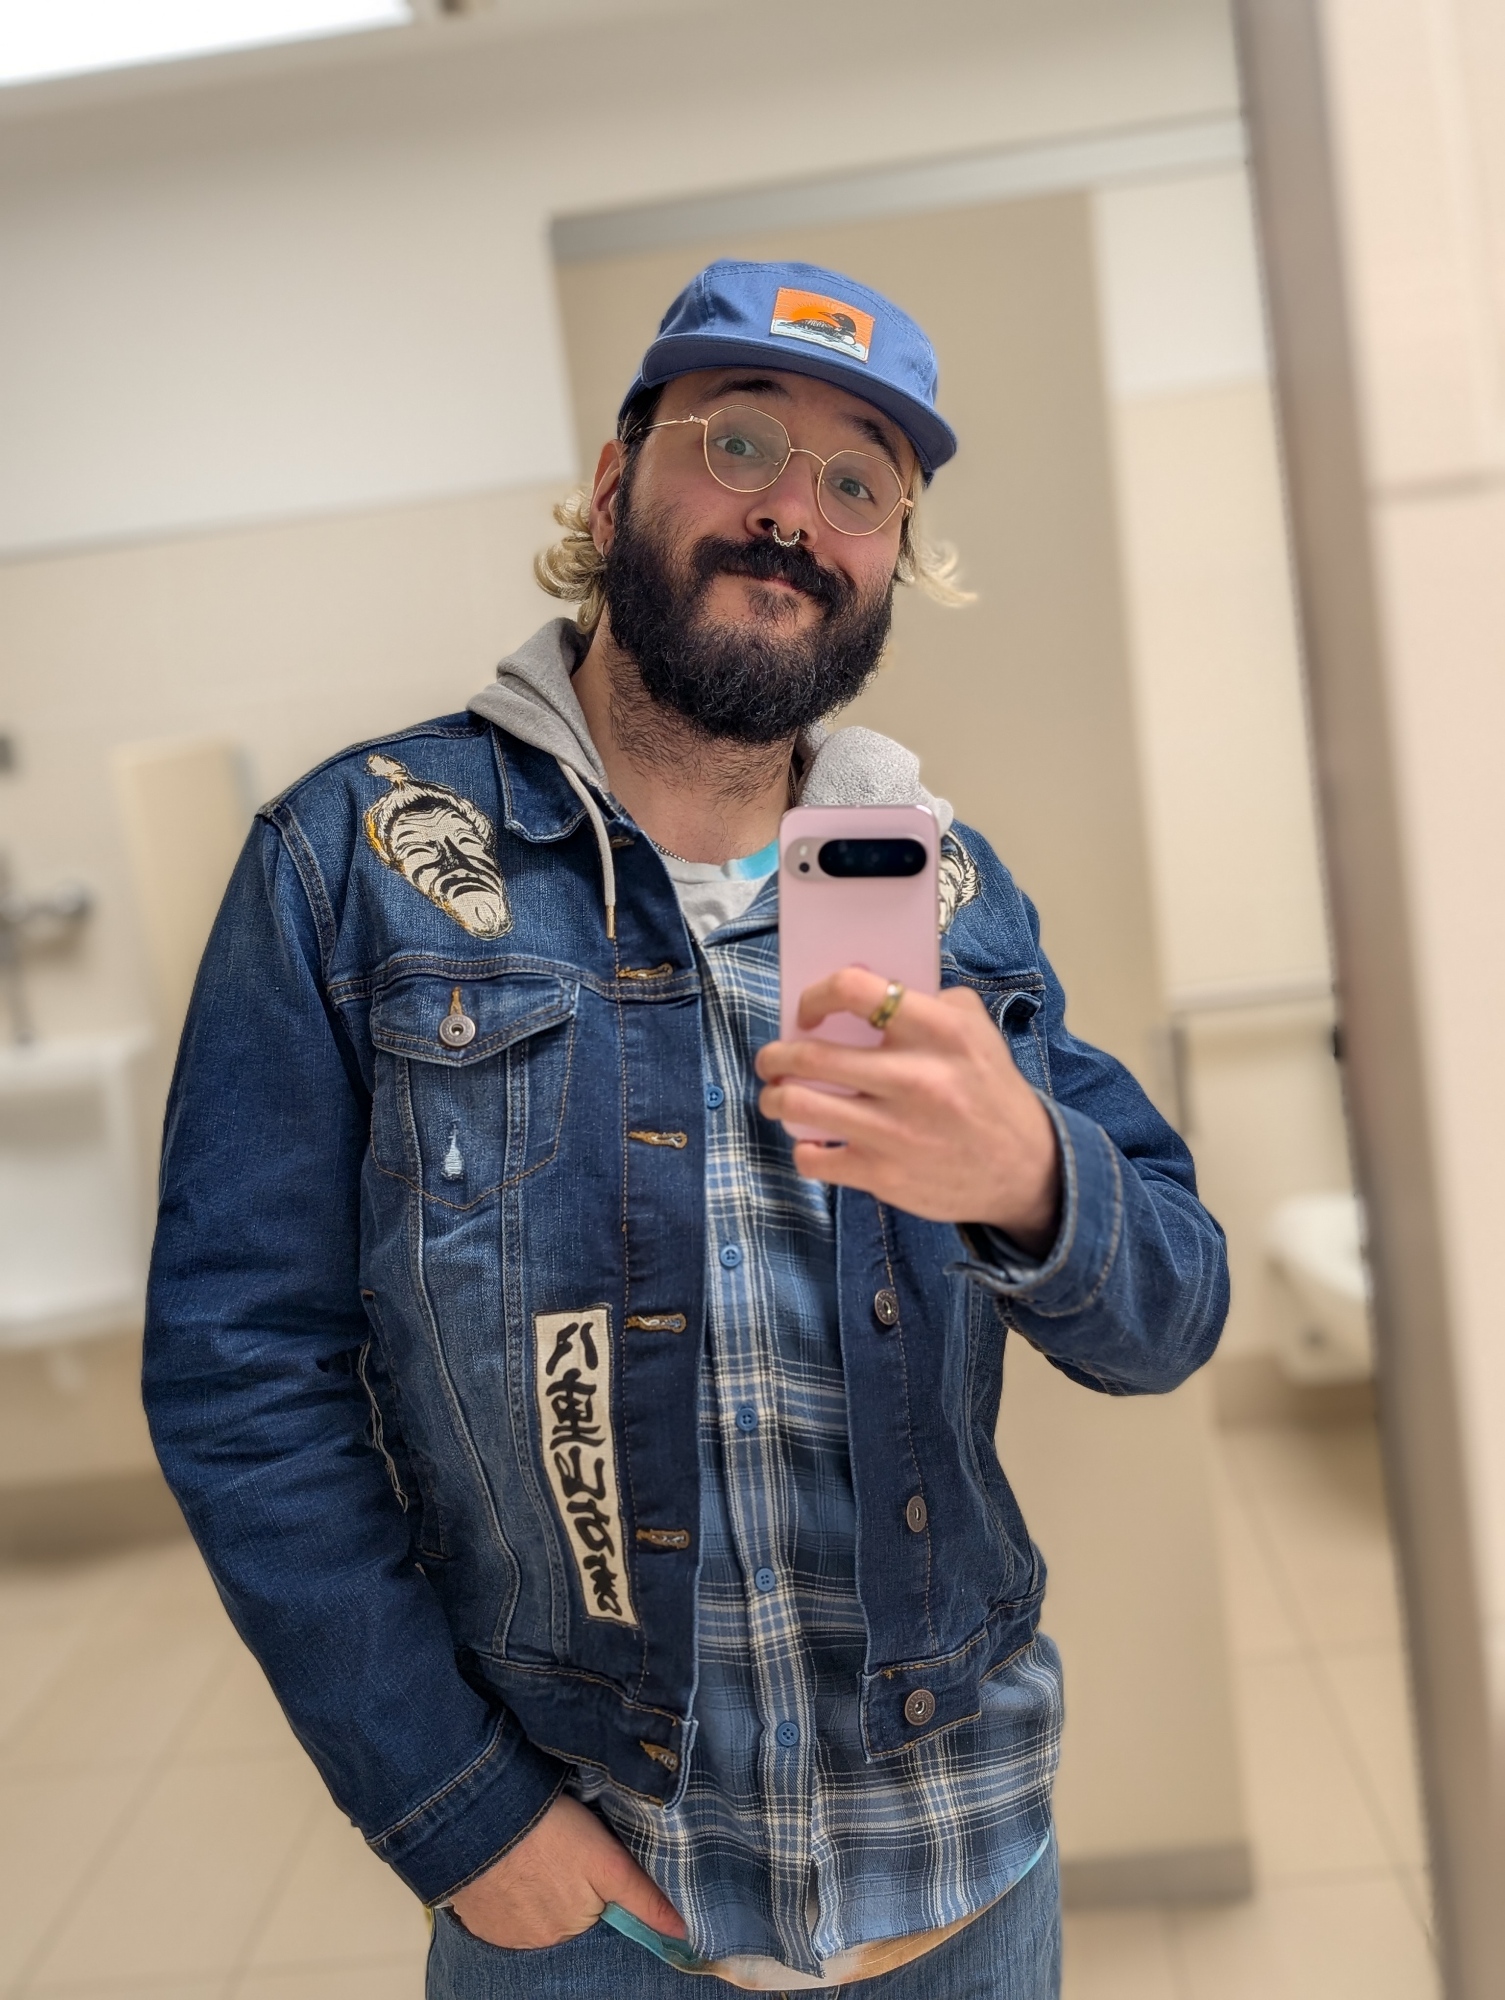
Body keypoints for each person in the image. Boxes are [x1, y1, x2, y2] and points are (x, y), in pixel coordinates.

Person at [144, 259, 1229, 1999]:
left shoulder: (942, 891)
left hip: (962, 1884)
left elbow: (1172, 1311)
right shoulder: (352, 865)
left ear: (891, 559)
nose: (794, 513)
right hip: (586, 1915)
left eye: (860, 482)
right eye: (739, 444)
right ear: (609, 490)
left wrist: (1032, 1180)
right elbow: (241, 1376)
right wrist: (459, 1817)